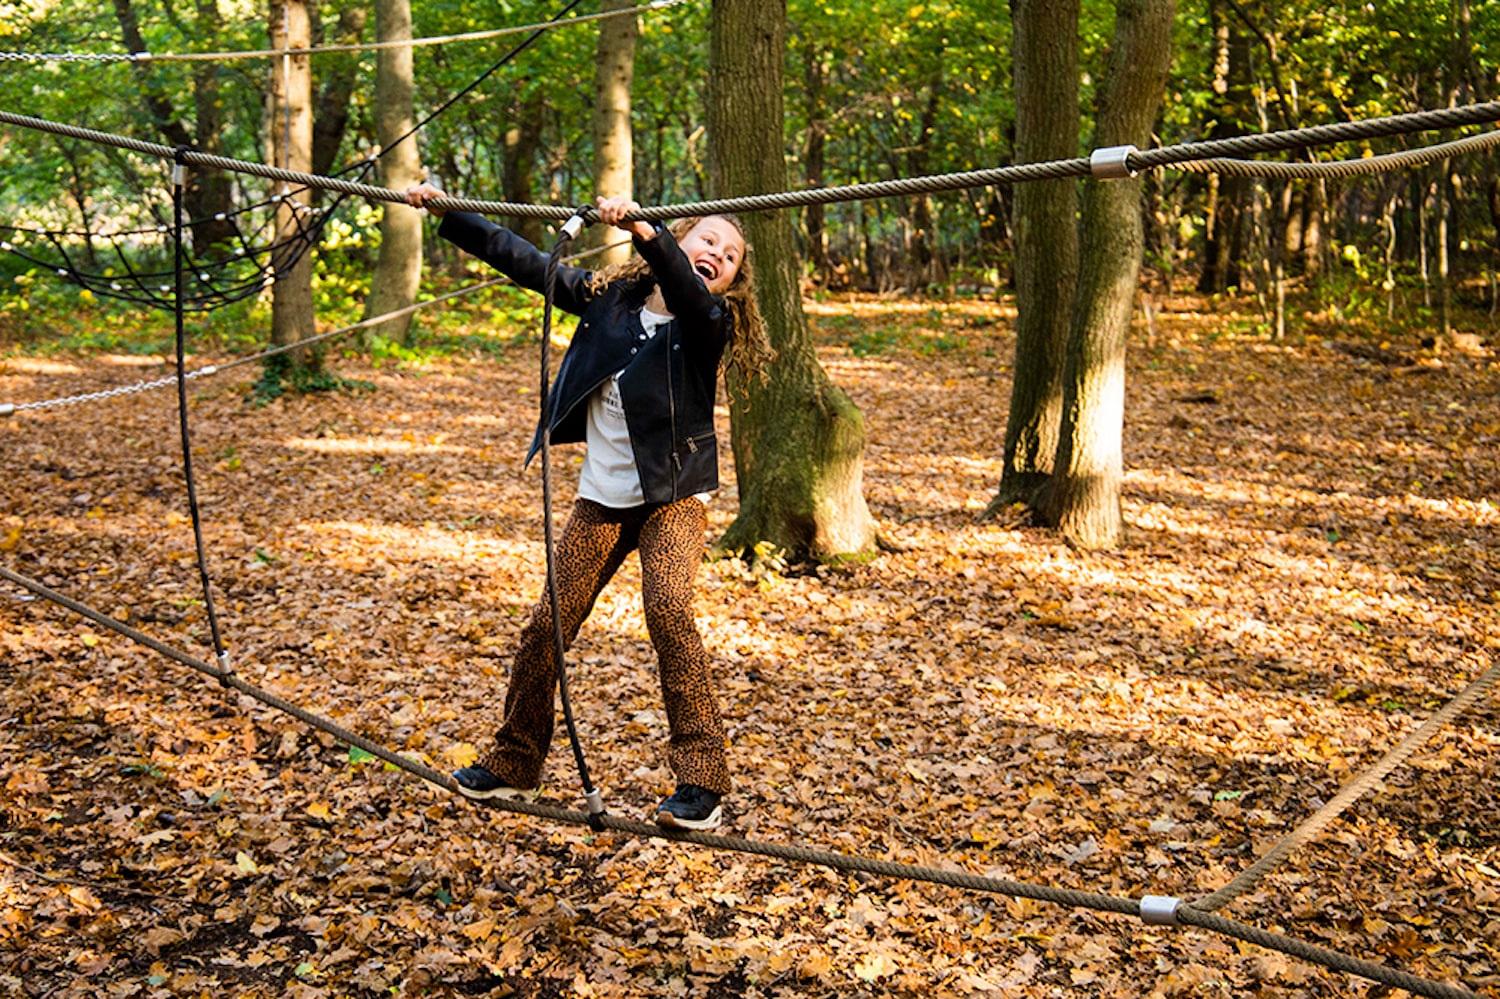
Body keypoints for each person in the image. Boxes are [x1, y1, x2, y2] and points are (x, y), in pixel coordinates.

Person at [404, 183, 772, 830]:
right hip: (602, 501)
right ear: (685, 238)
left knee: (667, 606)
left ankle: (702, 783)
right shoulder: (610, 300)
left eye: (731, 256)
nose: (718, 253)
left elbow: (685, 290)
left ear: (733, 282)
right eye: (707, 239)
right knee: (546, 623)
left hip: (675, 498)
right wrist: (448, 212)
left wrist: (653, 237)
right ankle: (514, 762)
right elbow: (522, 260)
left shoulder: (710, 323)